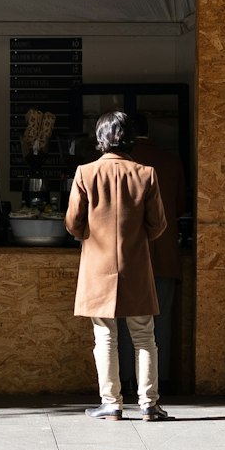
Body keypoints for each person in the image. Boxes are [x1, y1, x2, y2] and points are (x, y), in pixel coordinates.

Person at [64, 110, 168, 422]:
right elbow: (158, 225)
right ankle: (149, 403)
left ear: (100, 139)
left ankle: (111, 403)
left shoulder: (85, 173)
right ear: (130, 138)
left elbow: (72, 223)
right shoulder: (146, 174)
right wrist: (137, 238)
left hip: (97, 268)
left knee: (105, 337)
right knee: (144, 336)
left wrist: (88, 235)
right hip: (135, 266)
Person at [118, 112, 189, 398]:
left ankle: (126, 380)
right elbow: (180, 205)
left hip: (128, 258)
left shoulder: (122, 164)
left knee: (124, 324)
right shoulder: (171, 161)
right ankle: (163, 382)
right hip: (165, 254)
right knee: (161, 323)